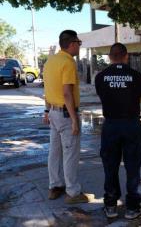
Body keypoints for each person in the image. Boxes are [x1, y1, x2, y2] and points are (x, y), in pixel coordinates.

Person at [95, 43, 141, 219]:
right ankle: (133, 207)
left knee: (110, 166)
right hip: (132, 124)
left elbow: (102, 96)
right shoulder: (136, 76)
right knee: (133, 167)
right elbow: (140, 97)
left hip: (111, 125)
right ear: (126, 56)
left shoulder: (100, 77)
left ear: (110, 57)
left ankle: (110, 205)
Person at [43, 30, 93, 204]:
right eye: (79, 43)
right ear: (72, 44)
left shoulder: (51, 61)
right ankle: (73, 192)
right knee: (70, 153)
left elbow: (47, 89)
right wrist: (74, 120)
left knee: (55, 152)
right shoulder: (68, 62)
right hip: (65, 114)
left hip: (53, 113)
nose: (80, 46)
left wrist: (47, 111)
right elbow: (66, 93)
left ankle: (55, 186)